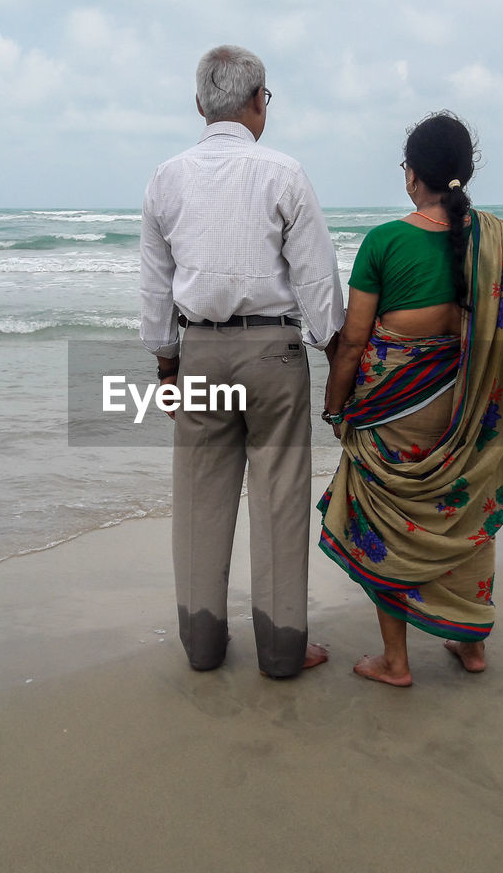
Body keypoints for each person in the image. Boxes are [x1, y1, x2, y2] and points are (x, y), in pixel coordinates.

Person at [140, 45, 345, 678]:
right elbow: (317, 282)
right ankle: (282, 652)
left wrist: (167, 366)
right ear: (259, 102)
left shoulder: (166, 178)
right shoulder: (284, 173)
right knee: (279, 500)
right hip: (274, 352)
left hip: (199, 350)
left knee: (201, 501)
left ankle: (202, 647)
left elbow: (154, 289)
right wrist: (337, 354)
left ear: (200, 105)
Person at [318, 111, 503, 687]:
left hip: (394, 414)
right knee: (463, 514)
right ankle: (471, 645)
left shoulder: (385, 241)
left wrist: (336, 406)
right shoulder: (501, 241)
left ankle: (396, 661)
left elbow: (355, 341)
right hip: (467, 409)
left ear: (412, 174)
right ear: (466, 171)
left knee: (389, 525)